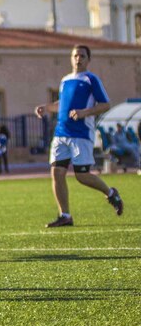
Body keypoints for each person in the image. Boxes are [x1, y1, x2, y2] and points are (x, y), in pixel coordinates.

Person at [35, 44, 123, 227]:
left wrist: (84, 112)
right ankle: (65, 215)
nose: (78, 59)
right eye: (75, 55)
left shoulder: (91, 79)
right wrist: (46, 108)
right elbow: (62, 103)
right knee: (56, 172)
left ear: (88, 59)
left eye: (82, 56)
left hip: (81, 134)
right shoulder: (65, 80)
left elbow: (105, 104)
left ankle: (111, 193)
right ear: (71, 58)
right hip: (61, 133)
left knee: (82, 176)